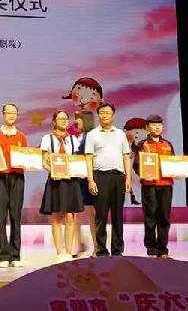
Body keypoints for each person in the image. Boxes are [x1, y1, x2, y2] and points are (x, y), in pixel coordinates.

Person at [85, 102, 131, 257]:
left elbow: (126, 156)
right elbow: (88, 158)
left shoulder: (120, 134)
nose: (104, 115)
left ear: (113, 115)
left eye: (107, 112)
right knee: (101, 215)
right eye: (101, 112)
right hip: (100, 177)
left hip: (118, 177)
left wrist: (128, 178)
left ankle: (117, 250)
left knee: (118, 215)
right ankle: (101, 250)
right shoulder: (92, 134)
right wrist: (91, 180)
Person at [0, 103, 28, 268]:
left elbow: (26, 158)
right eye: (8, 112)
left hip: (17, 178)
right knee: (1, 216)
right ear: (3, 115)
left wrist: (29, 162)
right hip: (0, 179)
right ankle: (3, 255)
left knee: (16, 216)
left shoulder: (22, 136)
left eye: (14, 113)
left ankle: (15, 255)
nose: (11, 115)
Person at [40, 110, 84, 262]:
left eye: (66, 118)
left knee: (71, 217)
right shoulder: (48, 139)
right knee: (57, 217)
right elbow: (44, 161)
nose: (64, 121)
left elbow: (77, 160)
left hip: (71, 181)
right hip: (55, 181)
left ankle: (68, 252)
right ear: (54, 122)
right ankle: (60, 253)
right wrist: (53, 171)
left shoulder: (73, 139)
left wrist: (80, 170)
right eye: (60, 119)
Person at [135, 115, 175, 258]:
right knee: (150, 216)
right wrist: (143, 173)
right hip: (149, 185)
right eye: (153, 124)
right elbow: (136, 164)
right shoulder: (142, 144)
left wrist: (176, 170)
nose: (157, 127)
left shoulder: (168, 144)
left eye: (159, 124)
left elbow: (174, 162)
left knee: (164, 217)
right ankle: (151, 249)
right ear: (147, 127)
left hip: (166, 184)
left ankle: (163, 250)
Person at [73, 112, 97, 258]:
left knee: (91, 214)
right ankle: (79, 244)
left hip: (88, 179)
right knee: (76, 214)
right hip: (77, 179)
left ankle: (97, 246)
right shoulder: (79, 137)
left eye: (79, 119)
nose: (76, 122)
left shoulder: (91, 137)